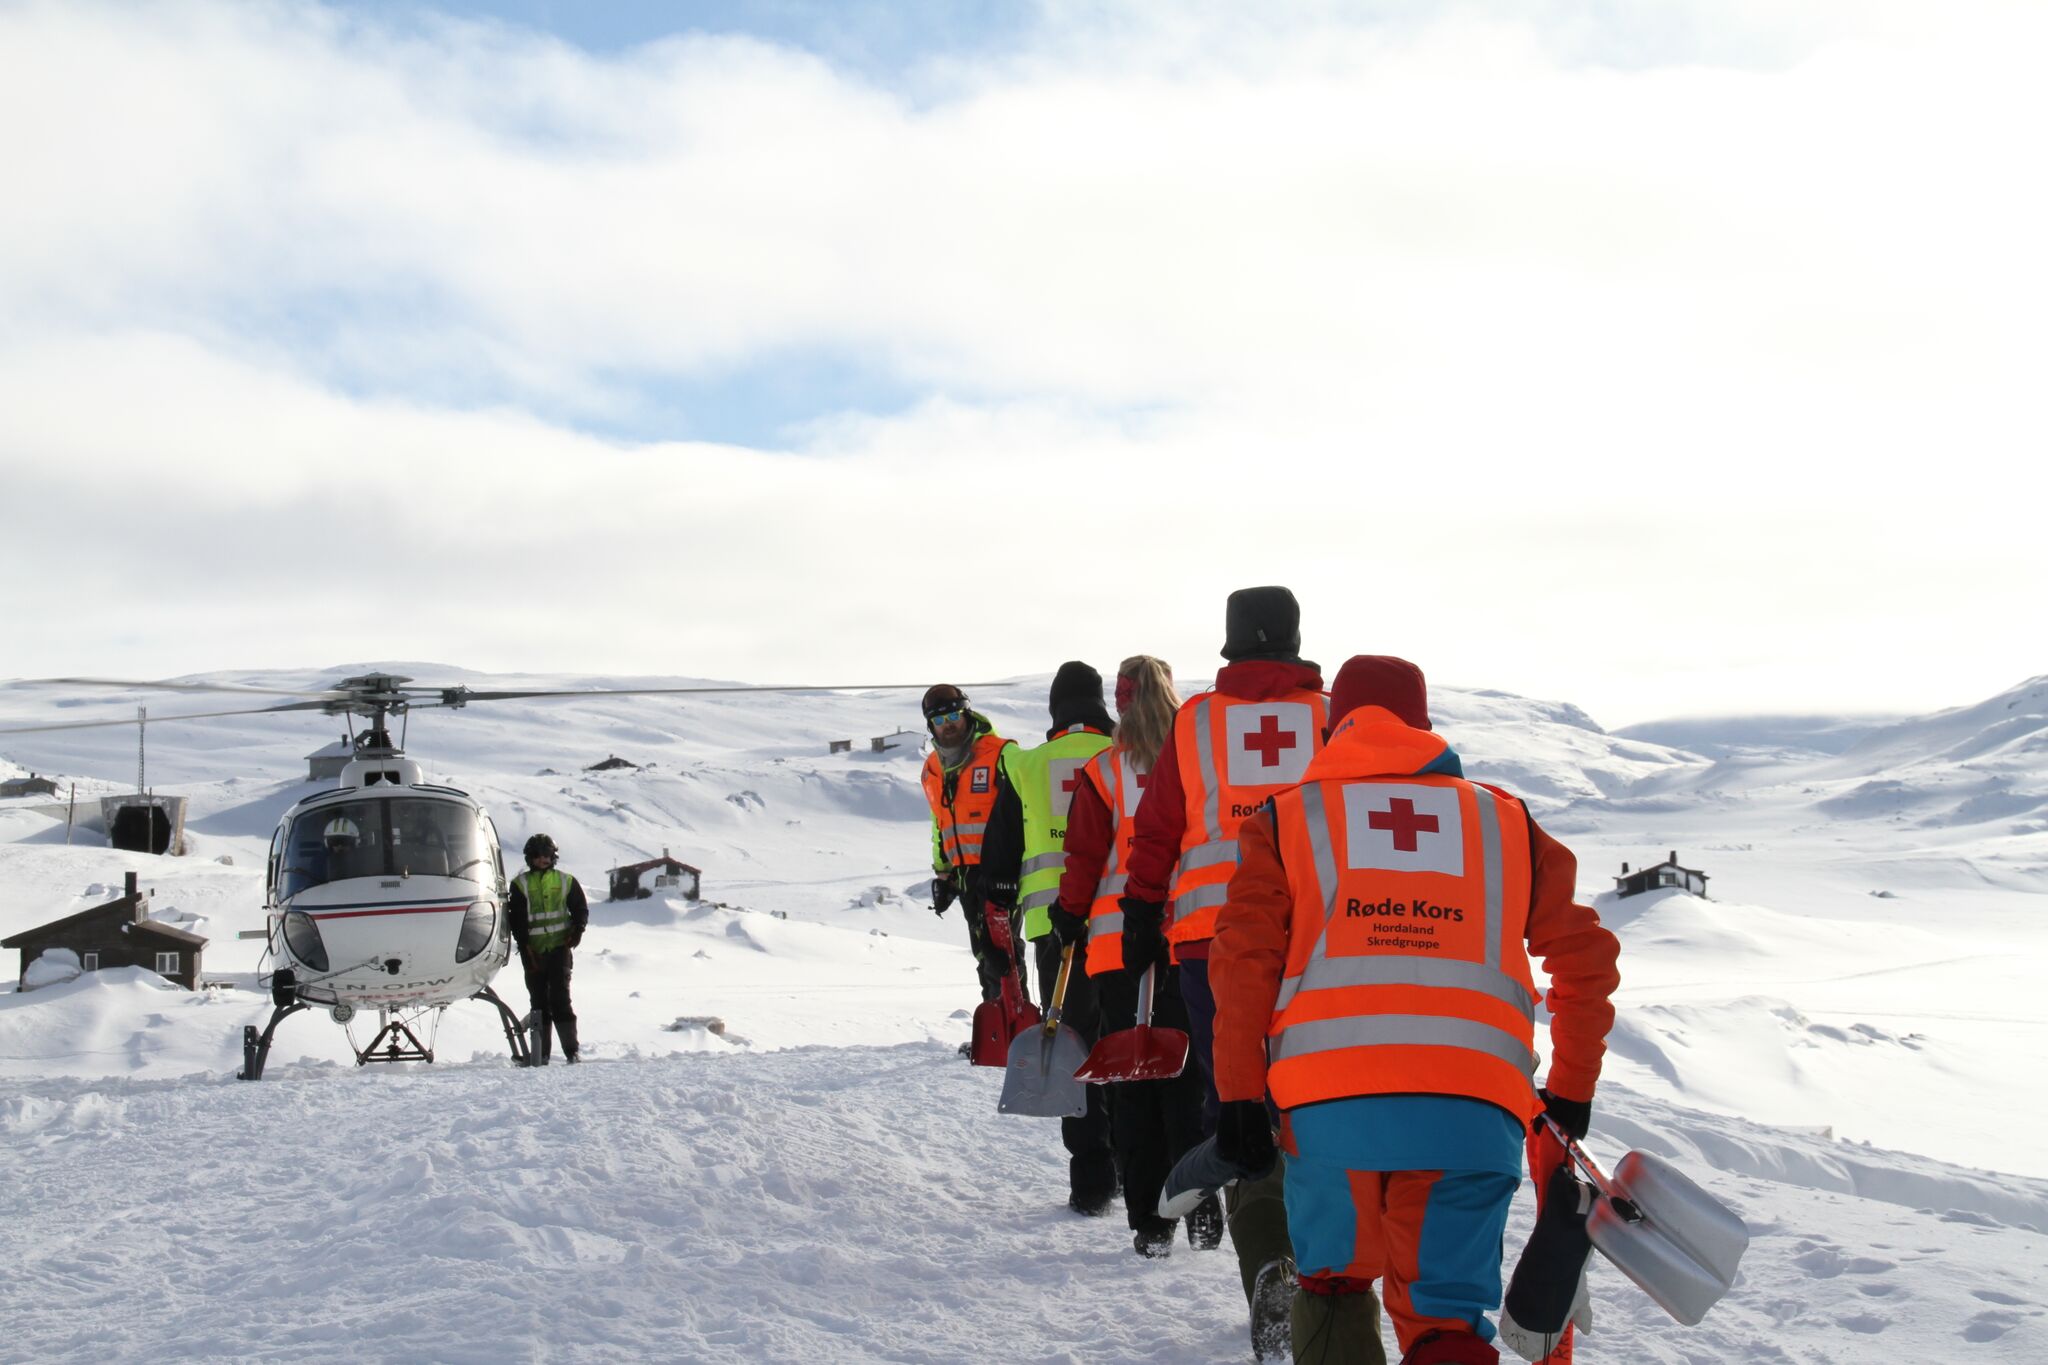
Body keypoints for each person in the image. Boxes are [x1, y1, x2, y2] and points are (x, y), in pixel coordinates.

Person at [1208, 656, 1622, 1365]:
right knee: (1445, 1318)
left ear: (1333, 727)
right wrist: (1573, 1088)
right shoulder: (1507, 822)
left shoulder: (1288, 819)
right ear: (1426, 728)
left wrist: (1242, 1094)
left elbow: (1243, 966)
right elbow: (1586, 959)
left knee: (1333, 1286)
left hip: (1327, 1114)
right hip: (1472, 1116)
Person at [1119, 587, 1328, 1349]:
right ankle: (1324, 1264)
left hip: (1212, 941)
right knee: (1312, 1097)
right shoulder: (1330, 717)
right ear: (1297, 640)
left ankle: (1270, 1261)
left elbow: (1158, 825)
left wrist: (1143, 906)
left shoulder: (1197, 720)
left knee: (1243, 1101)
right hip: (1315, 939)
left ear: (1231, 645)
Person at [1043, 654, 1215, 1254]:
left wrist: (1067, 916)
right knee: (1191, 1076)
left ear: (1119, 704)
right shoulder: (1198, 762)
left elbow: (1085, 859)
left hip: (1119, 947)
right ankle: (1200, 1198)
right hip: (1187, 938)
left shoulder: (1105, 771)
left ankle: (1150, 1220)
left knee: (1133, 1084)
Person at [980, 662, 1118, 1216]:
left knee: (1073, 1051)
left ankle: (1091, 1181)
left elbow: (998, 861)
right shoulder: (1127, 756)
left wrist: (996, 930)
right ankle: (1140, 1169)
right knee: (1127, 1046)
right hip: (1127, 930)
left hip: (1053, 934)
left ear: (1056, 711)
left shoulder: (1027, 765)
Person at [919, 685, 1023, 1021]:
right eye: (939, 720)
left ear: (966, 714)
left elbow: (1021, 812)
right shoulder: (932, 768)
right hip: (964, 874)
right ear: (930, 726)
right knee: (982, 951)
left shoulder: (1000, 753)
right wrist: (943, 871)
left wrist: (1012, 867)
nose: (948, 725)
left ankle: (1015, 1024)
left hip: (1002, 870)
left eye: (953, 716)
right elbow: (940, 820)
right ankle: (996, 1024)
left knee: (1002, 950)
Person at [507, 832, 589, 1065]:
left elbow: (580, 908)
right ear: (530, 857)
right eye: (539, 855)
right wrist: (524, 947)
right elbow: (517, 920)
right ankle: (540, 1054)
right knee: (539, 1002)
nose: (543, 859)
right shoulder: (520, 884)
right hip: (533, 952)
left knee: (561, 999)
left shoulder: (565, 880)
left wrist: (578, 930)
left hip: (559, 948)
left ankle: (572, 1052)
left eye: (548, 855)